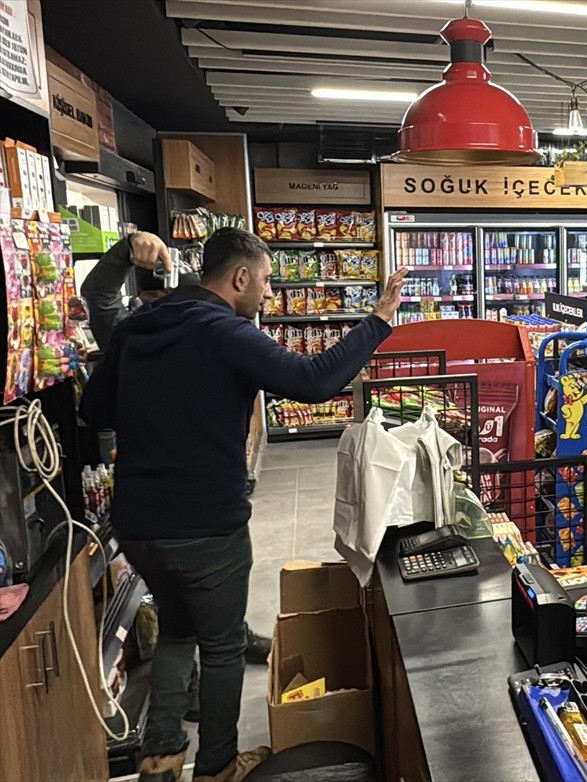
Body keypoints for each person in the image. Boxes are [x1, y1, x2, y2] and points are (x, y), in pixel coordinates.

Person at [80, 228, 407, 782]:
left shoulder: (139, 327)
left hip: (138, 525)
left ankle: (159, 758)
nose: (269, 291)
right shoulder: (226, 332)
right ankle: (218, 766)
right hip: (207, 525)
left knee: (179, 630)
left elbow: (95, 403)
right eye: (266, 279)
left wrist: (122, 255)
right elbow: (315, 379)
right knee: (225, 644)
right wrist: (377, 320)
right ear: (239, 278)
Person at [80, 231, 273, 664]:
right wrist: (125, 251)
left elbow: (97, 409)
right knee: (205, 608)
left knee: (186, 618)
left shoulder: (141, 330)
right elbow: (98, 295)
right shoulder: (154, 328)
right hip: (198, 510)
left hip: (146, 510)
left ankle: (184, 702)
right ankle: (215, 674)